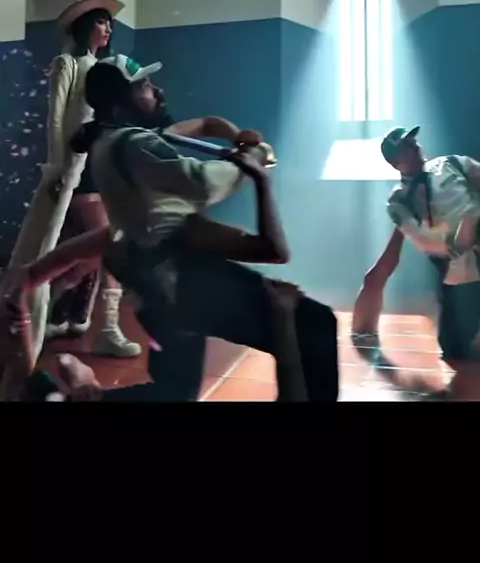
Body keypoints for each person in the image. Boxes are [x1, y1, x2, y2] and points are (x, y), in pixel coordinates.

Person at [59, 55, 338, 402]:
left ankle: (86, 397)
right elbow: (202, 181)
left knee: (176, 392)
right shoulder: (134, 144)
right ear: (119, 106)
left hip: (155, 287)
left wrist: (237, 138)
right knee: (316, 323)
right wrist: (253, 162)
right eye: (144, 86)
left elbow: (207, 124)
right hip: (186, 280)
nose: (157, 91)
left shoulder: (110, 143)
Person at [5, 0, 141, 364]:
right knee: (106, 244)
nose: (108, 28)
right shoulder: (66, 63)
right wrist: (57, 169)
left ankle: (55, 309)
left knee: (85, 254)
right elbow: (55, 120)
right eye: (100, 21)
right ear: (83, 27)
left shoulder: (104, 69)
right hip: (72, 170)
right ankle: (104, 327)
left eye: (109, 23)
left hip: (98, 166)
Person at [380, 125, 480, 397]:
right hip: (460, 272)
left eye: (414, 141)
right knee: (453, 346)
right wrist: (460, 240)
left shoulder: (451, 164)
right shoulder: (399, 200)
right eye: (407, 146)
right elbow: (422, 239)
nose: (416, 146)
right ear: (395, 162)